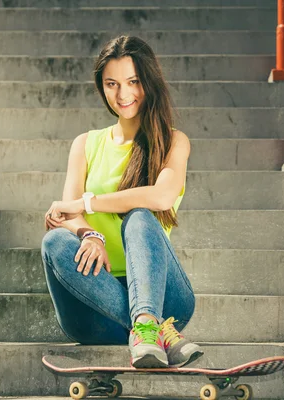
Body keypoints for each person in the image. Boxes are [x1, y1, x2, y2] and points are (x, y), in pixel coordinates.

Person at [41, 35, 202, 369]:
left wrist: (86, 204)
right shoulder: (85, 144)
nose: (123, 94)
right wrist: (90, 235)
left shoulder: (174, 142)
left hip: (164, 299)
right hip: (95, 309)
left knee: (141, 216)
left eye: (133, 82)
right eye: (112, 83)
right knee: (54, 241)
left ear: (149, 82)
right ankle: (155, 332)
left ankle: (146, 321)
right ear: (102, 87)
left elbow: (161, 196)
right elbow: (64, 216)